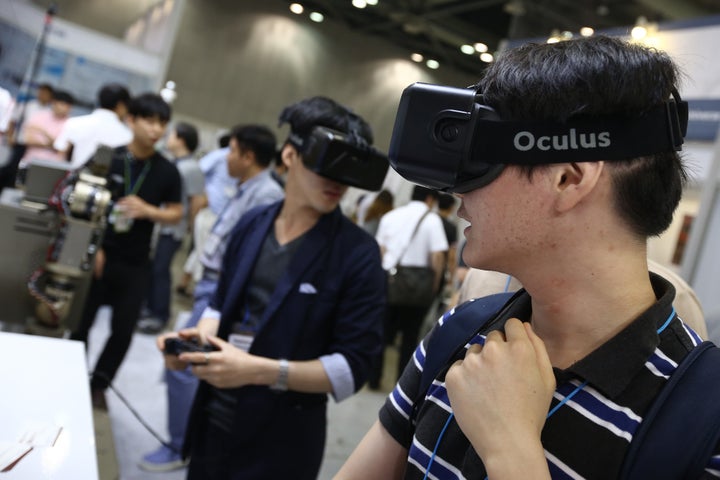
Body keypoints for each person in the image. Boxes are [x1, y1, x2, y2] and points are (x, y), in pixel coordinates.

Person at [336, 35, 718, 479]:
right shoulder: (457, 334)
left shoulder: (706, 422)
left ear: (567, 178)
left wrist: (510, 450)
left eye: (483, 159)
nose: (459, 190)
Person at [157, 96, 386, 479]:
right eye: (327, 162)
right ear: (290, 155)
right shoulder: (253, 223)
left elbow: (353, 368)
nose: (337, 181)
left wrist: (260, 371)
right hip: (213, 421)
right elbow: (221, 301)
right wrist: (200, 340)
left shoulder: (358, 254)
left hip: (282, 443)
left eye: (349, 169)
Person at [138, 124, 285, 472]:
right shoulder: (247, 188)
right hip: (210, 285)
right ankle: (184, 440)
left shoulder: (266, 195)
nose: (227, 158)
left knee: (184, 364)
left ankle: (180, 445)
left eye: (232, 151)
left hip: (221, 290)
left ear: (248, 156)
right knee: (183, 364)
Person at [71, 93, 182, 411]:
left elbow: (176, 213)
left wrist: (149, 210)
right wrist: (94, 246)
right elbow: (78, 196)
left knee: (123, 330)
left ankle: (99, 384)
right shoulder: (109, 158)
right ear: (130, 120)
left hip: (136, 261)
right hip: (99, 254)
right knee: (81, 322)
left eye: (162, 122)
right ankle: (74, 375)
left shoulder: (166, 171)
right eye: (149, 120)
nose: (156, 129)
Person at [369, 185, 448, 388]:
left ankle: (373, 378)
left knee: (382, 333)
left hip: (390, 282)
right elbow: (437, 256)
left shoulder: (391, 216)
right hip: (417, 286)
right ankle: (400, 384)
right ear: (430, 199)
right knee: (409, 337)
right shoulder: (432, 220)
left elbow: (380, 250)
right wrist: (435, 285)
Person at [138, 122, 205, 335]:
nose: (168, 138)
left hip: (174, 228)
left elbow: (197, 200)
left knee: (161, 270)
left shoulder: (191, 168)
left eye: (172, 135)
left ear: (182, 140)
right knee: (154, 268)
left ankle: (160, 314)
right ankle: (149, 308)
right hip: (163, 225)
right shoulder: (175, 163)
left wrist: (191, 228)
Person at [53, 83, 132, 169]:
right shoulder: (127, 135)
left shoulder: (74, 123)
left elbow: (60, 157)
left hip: (73, 177)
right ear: (120, 105)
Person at [0, 83, 53, 191]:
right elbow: (13, 120)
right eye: (41, 92)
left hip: (36, 146)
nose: (42, 95)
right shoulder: (28, 106)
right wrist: (10, 136)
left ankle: (11, 189)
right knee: (11, 166)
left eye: (45, 93)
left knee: (24, 170)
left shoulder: (49, 111)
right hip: (21, 142)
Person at [16, 90, 74, 174]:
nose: (66, 109)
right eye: (63, 104)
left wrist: (43, 132)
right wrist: (53, 144)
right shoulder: (39, 116)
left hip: (55, 167)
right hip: (31, 161)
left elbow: (64, 148)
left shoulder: (72, 123)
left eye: (69, 107)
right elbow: (27, 140)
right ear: (54, 103)